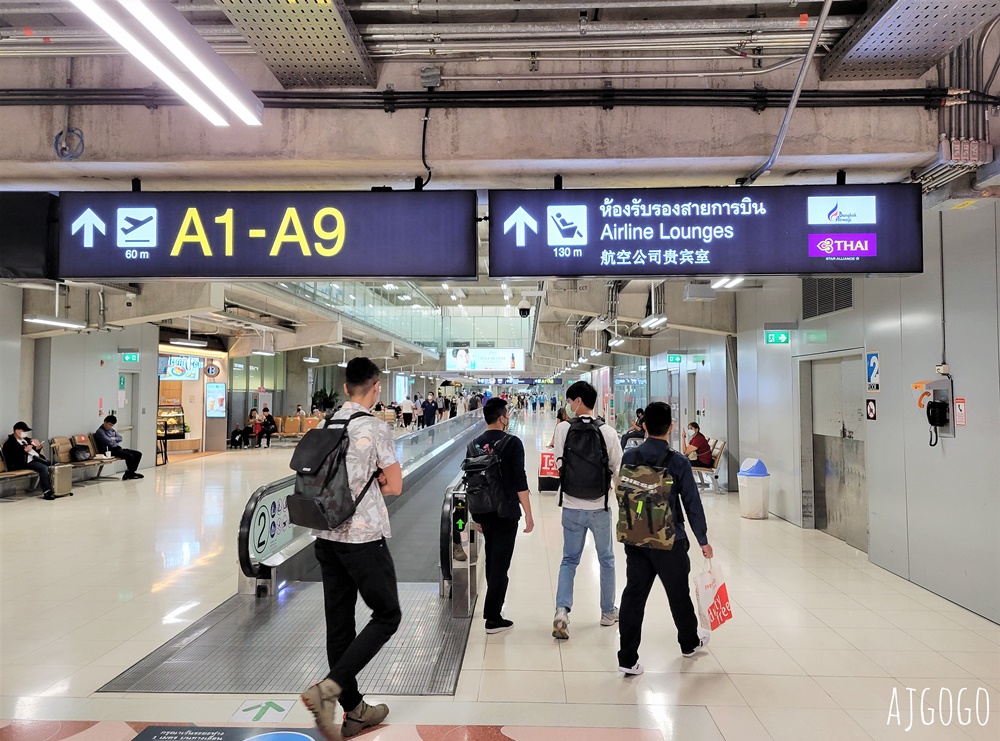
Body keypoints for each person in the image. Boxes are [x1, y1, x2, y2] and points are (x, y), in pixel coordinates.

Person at [300, 357, 403, 741]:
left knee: (340, 625)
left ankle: (355, 711)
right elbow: (394, 485)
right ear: (376, 388)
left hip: (326, 537)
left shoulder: (326, 424)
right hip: (362, 538)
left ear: (345, 388)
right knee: (387, 615)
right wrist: (375, 479)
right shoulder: (375, 427)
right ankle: (329, 688)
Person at [617, 401, 713, 675]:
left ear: (644, 425)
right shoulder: (678, 461)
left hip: (636, 537)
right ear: (671, 428)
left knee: (634, 595)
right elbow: (692, 504)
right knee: (678, 594)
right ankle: (688, 643)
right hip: (670, 540)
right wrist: (703, 540)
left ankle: (627, 658)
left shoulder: (630, 457)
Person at [552, 381, 623, 640]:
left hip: (571, 506)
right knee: (607, 560)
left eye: (571, 401)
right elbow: (617, 469)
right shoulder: (608, 432)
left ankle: (562, 610)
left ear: (580, 400)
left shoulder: (562, 429)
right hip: (600, 507)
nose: (569, 406)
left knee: (569, 560)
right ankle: (607, 612)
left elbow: (559, 461)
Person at [468, 397, 535, 633]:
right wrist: (528, 513)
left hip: (483, 510)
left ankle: (493, 609)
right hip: (506, 511)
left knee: (492, 559)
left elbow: (472, 481)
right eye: (507, 414)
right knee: (501, 564)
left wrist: (475, 515)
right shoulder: (512, 443)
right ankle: (493, 617)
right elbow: (520, 481)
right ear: (501, 417)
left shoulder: (474, 444)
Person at [2, 421, 54, 499]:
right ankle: (47, 491)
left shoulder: (27, 440)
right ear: (17, 431)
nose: (26, 433)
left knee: (53, 464)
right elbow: (11, 457)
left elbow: (32, 451)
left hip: (34, 459)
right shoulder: (9, 443)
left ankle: (55, 488)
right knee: (43, 467)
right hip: (22, 463)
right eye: (24, 431)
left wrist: (37, 449)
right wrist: (24, 451)